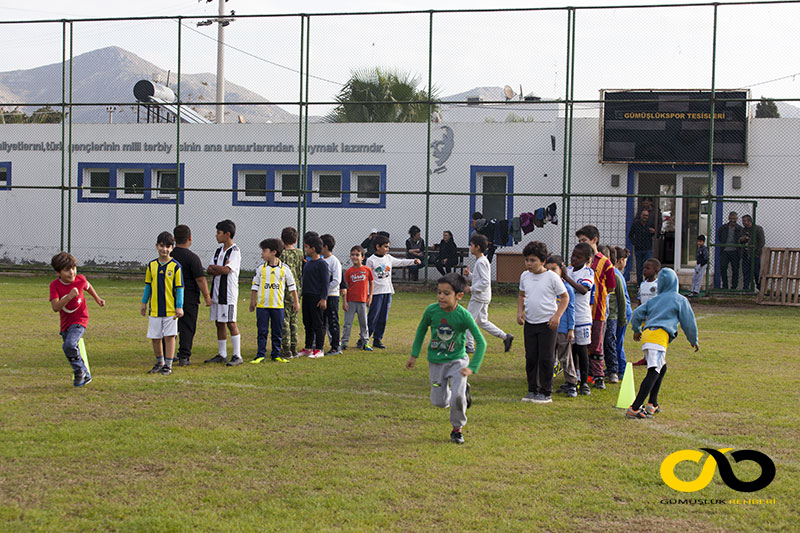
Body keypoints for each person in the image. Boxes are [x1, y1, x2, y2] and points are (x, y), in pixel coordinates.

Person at [406, 272, 486, 444]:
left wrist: (473, 367)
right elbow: (421, 331)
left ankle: (457, 430)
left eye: (446, 293)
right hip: (436, 362)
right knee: (439, 402)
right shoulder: (431, 311)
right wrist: (414, 355)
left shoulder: (464, 315)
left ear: (459, 296)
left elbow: (481, 342)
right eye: (439, 292)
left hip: (458, 361)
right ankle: (462, 391)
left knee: (457, 398)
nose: (441, 296)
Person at [627, 268, 699, 419]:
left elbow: (637, 313)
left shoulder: (654, 299)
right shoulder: (680, 299)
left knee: (662, 368)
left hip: (648, 335)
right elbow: (689, 322)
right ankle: (634, 408)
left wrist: (636, 329)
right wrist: (693, 340)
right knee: (653, 371)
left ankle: (652, 403)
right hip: (658, 338)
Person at [517, 241, 569, 404]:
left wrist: (557, 316)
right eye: (527, 260)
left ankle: (545, 392)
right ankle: (532, 390)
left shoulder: (552, 277)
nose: (529, 264)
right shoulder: (525, 276)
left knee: (546, 358)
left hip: (548, 324)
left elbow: (565, 297)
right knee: (531, 357)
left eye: (533, 260)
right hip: (530, 323)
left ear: (543, 261)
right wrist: (520, 312)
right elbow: (521, 295)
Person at [49, 252, 105, 387]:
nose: (72, 272)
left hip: (80, 319)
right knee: (70, 348)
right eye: (67, 270)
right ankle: (86, 374)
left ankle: (79, 371)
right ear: (58, 272)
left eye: (73, 268)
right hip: (65, 324)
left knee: (69, 345)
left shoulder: (80, 279)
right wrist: (68, 297)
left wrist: (97, 299)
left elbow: (88, 286)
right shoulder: (54, 286)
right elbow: (55, 307)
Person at [575, 225, 616, 390]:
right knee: (580, 345)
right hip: (580, 311)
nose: (581, 243)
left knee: (596, 344)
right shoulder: (578, 261)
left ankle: (599, 376)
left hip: (597, 312)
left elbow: (611, 287)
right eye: (579, 241)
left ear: (594, 241)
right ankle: (581, 375)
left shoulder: (605, 263)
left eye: (584, 240)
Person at [366, 234, 421, 349]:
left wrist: (413, 261)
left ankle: (378, 339)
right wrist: (368, 294)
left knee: (383, 317)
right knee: (373, 316)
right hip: (376, 293)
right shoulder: (371, 260)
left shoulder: (388, 258)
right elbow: (368, 279)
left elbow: (401, 262)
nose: (387, 249)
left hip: (387, 291)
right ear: (377, 247)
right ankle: (364, 338)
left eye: (388, 247)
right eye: (385, 247)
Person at [141, 231, 184, 375]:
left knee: (169, 337)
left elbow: (180, 288)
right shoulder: (151, 265)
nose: (164, 249)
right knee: (155, 337)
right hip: (155, 310)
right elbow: (148, 285)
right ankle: (159, 362)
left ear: (172, 247)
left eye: (167, 246)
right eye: (161, 246)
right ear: (156, 246)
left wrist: (179, 306)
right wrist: (143, 303)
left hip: (171, 310)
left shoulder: (176, 266)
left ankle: (169, 364)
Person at [249, 238, 298, 364]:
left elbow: (292, 287)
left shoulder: (284, 269)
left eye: (264, 251)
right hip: (262, 306)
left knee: (277, 332)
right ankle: (260, 354)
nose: (262, 254)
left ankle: (276, 354)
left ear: (274, 252)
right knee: (262, 331)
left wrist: (296, 302)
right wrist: (252, 301)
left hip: (278, 306)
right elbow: (255, 286)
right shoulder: (261, 269)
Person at [463, 233, 513, 354]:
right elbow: (480, 279)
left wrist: (471, 289)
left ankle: (469, 345)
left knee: (467, 320)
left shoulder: (481, 262)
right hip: (483, 296)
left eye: (472, 245)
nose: (470, 247)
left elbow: (485, 282)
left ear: (477, 247)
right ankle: (505, 337)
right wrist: (469, 276)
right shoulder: (482, 261)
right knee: (482, 321)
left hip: (479, 297)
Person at [171, 225, 212, 366]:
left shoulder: (170, 256)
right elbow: (200, 279)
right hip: (189, 298)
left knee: (170, 326)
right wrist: (206, 296)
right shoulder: (192, 258)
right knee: (187, 326)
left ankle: (167, 353)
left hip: (170, 296)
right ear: (189, 237)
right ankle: (184, 356)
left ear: (174, 239)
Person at [204, 219, 243, 366]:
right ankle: (222, 353)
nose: (216, 235)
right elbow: (209, 269)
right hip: (217, 292)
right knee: (219, 322)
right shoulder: (218, 251)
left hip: (228, 294)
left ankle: (237, 355)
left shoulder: (235, 251)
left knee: (230, 322)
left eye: (218, 233)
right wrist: (217, 268)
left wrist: (218, 269)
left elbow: (226, 270)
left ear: (227, 234)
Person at [561, 242, 595, 396]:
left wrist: (566, 277)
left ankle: (584, 383)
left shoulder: (588, 273)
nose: (574, 259)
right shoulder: (567, 270)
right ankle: (571, 381)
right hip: (569, 318)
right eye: (573, 255)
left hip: (582, 318)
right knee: (570, 350)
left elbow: (582, 289)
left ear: (587, 259)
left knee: (582, 350)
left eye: (578, 257)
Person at [545, 255, 577, 398]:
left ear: (561, 269)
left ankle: (572, 384)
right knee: (548, 357)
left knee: (565, 358)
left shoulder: (567, 289)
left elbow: (571, 309)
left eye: (554, 269)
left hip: (563, 329)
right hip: (548, 327)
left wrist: (571, 329)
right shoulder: (545, 287)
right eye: (548, 269)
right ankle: (546, 383)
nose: (551, 272)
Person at [298, 233, 328, 358]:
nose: (305, 250)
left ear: (313, 249)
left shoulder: (322, 264)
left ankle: (319, 349)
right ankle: (308, 347)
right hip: (307, 296)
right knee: (307, 323)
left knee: (318, 324)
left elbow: (326, 282)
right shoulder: (308, 263)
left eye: (306, 247)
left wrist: (323, 298)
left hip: (317, 298)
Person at [341, 245, 374, 351]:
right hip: (350, 301)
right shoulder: (348, 271)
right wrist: (344, 302)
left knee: (364, 323)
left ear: (362, 257)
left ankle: (365, 343)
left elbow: (371, 283)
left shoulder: (367, 270)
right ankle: (344, 342)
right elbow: (345, 288)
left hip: (362, 300)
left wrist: (370, 297)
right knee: (347, 323)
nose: (355, 257)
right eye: (353, 255)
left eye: (357, 255)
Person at [602, 246, 627, 384]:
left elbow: (622, 299)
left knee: (610, 341)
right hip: (599, 315)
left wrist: (622, 318)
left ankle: (614, 370)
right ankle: (597, 370)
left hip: (611, 316)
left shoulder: (615, 276)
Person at [280, 227, 303, 359]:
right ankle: (294, 347)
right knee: (294, 319)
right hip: (296, 289)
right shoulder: (299, 253)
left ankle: (286, 348)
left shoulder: (281, 254)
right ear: (295, 239)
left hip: (284, 290)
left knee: (285, 320)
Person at [321, 234, 342, 355]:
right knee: (321, 321)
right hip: (322, 296)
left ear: (326, 247)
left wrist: (325, 291)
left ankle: (335, 347)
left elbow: (337, 280)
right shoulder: (321, 260)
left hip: (332, 296)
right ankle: (319, 345)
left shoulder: (334, 262)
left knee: (333, 320)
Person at [613, 247, 633, 380]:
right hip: (622, 310)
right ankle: (616, 367)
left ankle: (621, 369)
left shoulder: (615, 274)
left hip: (622, 311)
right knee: (616, 341)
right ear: (621, 260)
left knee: (617, 341)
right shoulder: (616, 272)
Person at [717, 211, 743, 289]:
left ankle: (734, 286)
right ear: (728, 218)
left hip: (735, 251)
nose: (733, 220)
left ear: (737, 218)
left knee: (735, 269)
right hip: (725, 251)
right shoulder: (723, 228)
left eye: (734, 218)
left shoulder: (740, 229)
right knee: (723, 268)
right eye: (731, 218)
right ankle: (725, 286)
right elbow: (720, 237)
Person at [627, 209, 654, 285]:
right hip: (638, 249)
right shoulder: (636, 224)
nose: (645, 217)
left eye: (647, 215)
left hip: (648, 248)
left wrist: (654, 232)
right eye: (644, 215)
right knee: (639, 267)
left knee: (648, 266)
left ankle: (647, 282)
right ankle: (639, 284)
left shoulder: (650, 224)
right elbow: (631, 235)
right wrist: (635, 243)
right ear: (641, 216)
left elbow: (657, 234)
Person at [740, 215, 765, 292]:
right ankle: (746, 288)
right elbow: (740, 241)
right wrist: (742, 240)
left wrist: (757, 253)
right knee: (746, 272)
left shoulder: (758, 229)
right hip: (745, 254)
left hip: (755, 254)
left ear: (749, 221)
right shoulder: (743, 230)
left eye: (744, 221)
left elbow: (762, 242)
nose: (743, 223)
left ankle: (760, 288)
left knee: (756, 272)